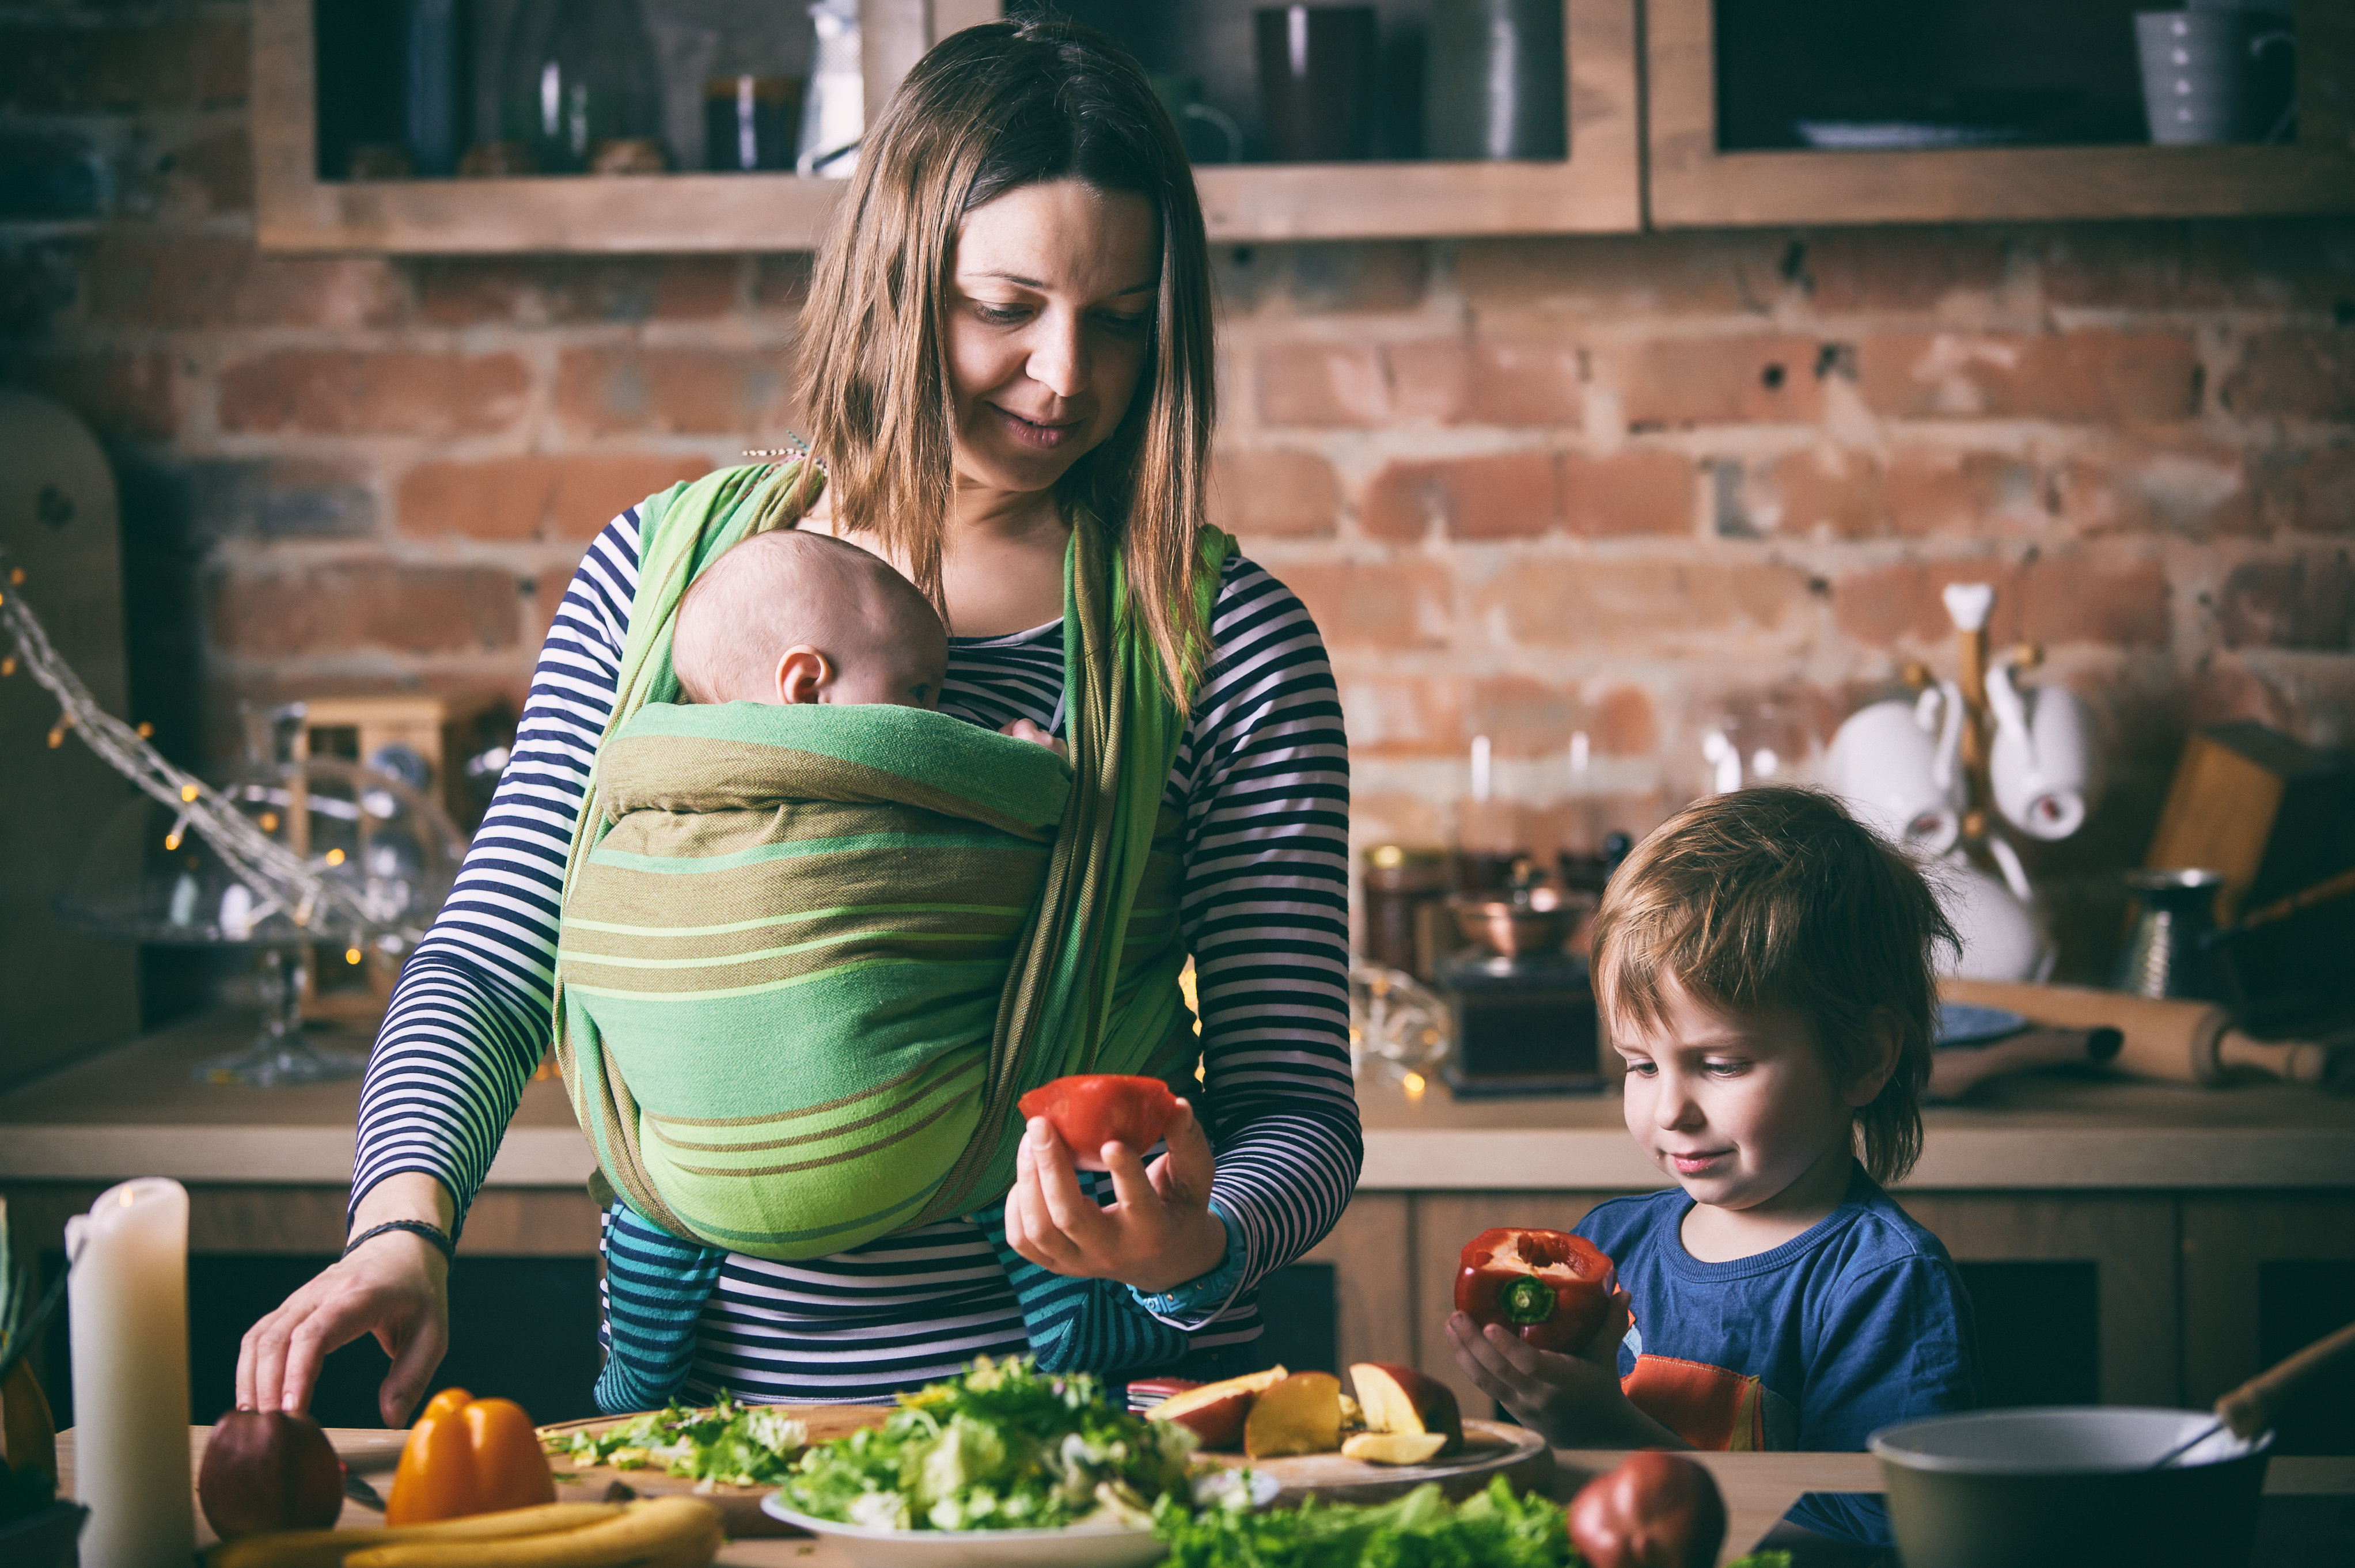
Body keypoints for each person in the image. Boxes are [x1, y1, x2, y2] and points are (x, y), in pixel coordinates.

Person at [237, 17, 1355, 1425]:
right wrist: (399, 1224)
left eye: (1120, 319)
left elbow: (1298, 1106)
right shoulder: (661, 582)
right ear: (895, 281)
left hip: (1095, 1436)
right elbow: (495, 957)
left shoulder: (1221, 643)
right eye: (1004, 306)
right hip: (711, 1430)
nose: (1066, 374)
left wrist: (1194, 1250)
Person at [1447, 787, 1979, 1549]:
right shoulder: (1605, 1246)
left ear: (1863, 1058)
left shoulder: (1882, 1283)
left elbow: (1879, 1549)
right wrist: (1535, 1408)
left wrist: (1610, 1428)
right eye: (1639, 1066)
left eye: (1721, 1066)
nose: (1670, 1112)